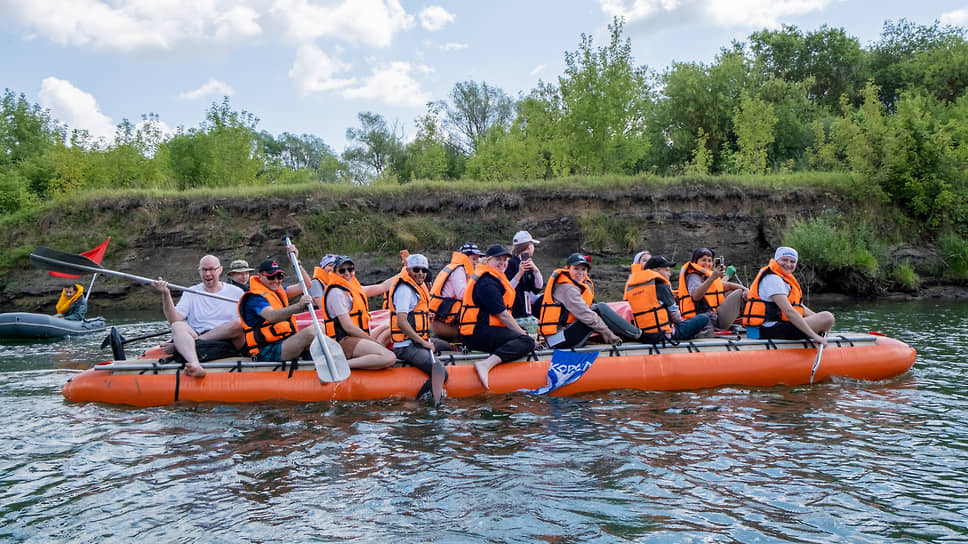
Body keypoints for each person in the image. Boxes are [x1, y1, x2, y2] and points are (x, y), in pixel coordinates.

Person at [152, 255, 245, 377]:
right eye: (204, 270)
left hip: (228, 340)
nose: (207, 274)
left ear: (220, 269)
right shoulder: (190, 292)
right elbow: (174, 319)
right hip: (200, 338)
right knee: (177, 326)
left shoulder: (236, 292)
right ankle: (195, 364)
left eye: (211, 269)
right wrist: (166, 294)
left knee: (239, 323)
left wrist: (178, 344)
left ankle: (189, 343)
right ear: (199, 271)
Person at [459, 244, 536, 389]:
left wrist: (521, 331)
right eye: (498, 259)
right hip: (476, 334)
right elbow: (502, 315)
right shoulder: (487, 282)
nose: (503, 263)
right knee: (526, 341)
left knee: (523, 333)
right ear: (488, 261)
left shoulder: (493, 278)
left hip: (482, 330)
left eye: (505, 260)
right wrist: (523, 334)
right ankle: (485, 365)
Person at [538, 253, 641, 349]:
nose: (580, 272)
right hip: (557, 340)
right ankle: (639, 335)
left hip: (563, 335)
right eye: (576, 268)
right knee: (598, 309)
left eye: (583, 269)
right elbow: (586, 314)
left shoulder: (579, 285)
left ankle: (630, 334)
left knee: (597, 310)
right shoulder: (566, 288)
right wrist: (608, 333)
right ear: (567, 269)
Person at [742, 247, 835, 344]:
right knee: (827, 317)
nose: (788, 264)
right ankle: (816, 335)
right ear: (776, 260)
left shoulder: (784, 279)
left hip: (778, 326)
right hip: (765, 330)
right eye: (784, 260)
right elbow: (788, 311)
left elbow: (800, 307)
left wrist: (818, 319)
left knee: (826, 319)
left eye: (792, 261)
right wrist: (814, 336)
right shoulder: (772, 278)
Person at [238, 253, 320, 362]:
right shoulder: (255, 298)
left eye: (279, 276)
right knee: (312, 331)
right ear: (261, 276)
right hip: (265, 351)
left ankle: (314, 363)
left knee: (320, 328)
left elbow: (306, 284)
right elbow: (271, 316)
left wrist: (296, 262)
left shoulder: (278, 291)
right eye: (271, 276)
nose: (276, 280)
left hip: (283, 342)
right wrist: (299, 306)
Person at [388, 254, 447, 402]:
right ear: (408, 270)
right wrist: (423, 342)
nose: (420, 273)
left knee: (448, 346)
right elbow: (401, 322)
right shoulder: (405, 290)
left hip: (417, 342)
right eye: (416, 269)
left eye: (423, 270)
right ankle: (419, 401)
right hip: (406, 346)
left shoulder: (418, 287)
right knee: (442, 373)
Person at [321, 255, 397, 369]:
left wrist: (406, 270)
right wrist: (372, 341)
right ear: (335, 272)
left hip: (355, 337)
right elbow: (348, 327)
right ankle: (338, 365)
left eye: (350, 269)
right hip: (343, 341)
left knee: (388, 326)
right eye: (342, 270)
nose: (347, 273)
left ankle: (373, 353)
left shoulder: (352, 288)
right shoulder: (336, 293)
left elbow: (382, 286)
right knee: (390, 357)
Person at [624, 255, 709, 344]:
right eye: (667, 270)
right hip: (666, 334)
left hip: (645, 335)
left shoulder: (633, 288)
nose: (670, 274)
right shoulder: (662, 286)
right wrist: (682, 323)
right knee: (703, 318)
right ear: (656, 270)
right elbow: (675, 315)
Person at [676, 247, 749, 330]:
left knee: (737, 291)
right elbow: (695, 296)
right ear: (695, 262)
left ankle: (744, 321)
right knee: (739, 293)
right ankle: (748, 322)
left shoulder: (708, 275)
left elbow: (726, 286)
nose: (707, 263)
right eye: (703, 260)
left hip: (715, 317)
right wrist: (713, 277)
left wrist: (745, 289)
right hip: (707, 321)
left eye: (710, 261)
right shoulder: (693, 276)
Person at [428, 242, 485, 342]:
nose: (476, 262)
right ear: (465, 258)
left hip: (442, 321)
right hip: (443, 324)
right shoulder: (459, 270)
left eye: (478, 259)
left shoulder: (456, 267)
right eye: (474, 259)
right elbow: (462, 294)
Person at [504, 231, 544, 319]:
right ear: (529, 246)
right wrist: (519, 274)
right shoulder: (510, 263)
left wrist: (536, 271)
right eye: (533, 245)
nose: (533, 248)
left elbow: (537, 288)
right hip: (515, 311)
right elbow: (506, 290)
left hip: (526, 310)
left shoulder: (529, 264)